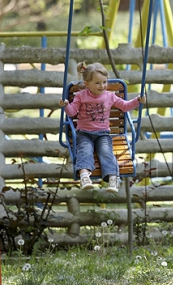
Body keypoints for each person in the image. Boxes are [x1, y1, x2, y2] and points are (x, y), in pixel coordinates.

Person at [60, 62, 145, 193]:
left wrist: (137, 101)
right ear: (87, 84)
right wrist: (65, 105)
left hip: (103, 134)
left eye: (104, 82)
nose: (102, 86)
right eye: (98, 83)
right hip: (84, 133)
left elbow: (125, 106)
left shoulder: (110, 96)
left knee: (106, 152)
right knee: (85, 151)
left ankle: (113, 179)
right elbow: (72, 112)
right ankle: (84, 177)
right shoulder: (81, 95)